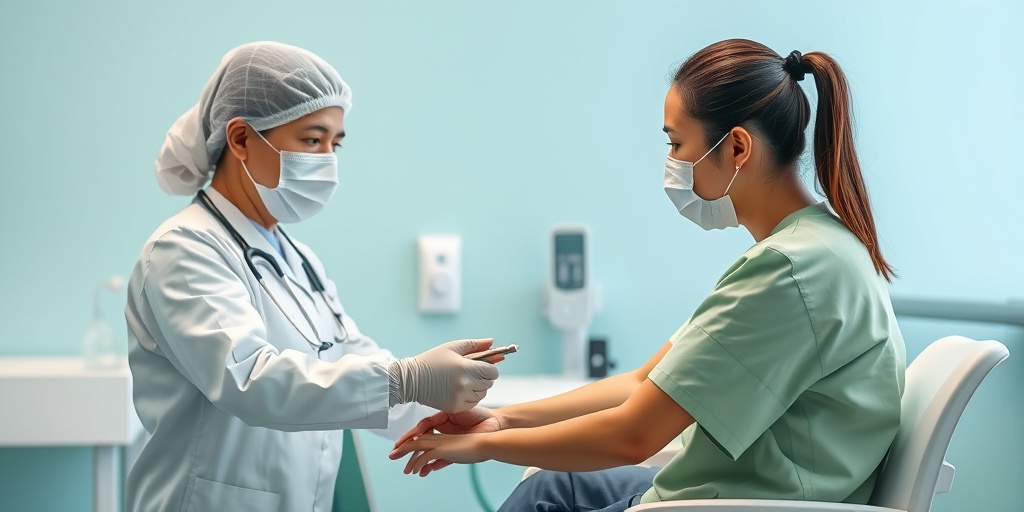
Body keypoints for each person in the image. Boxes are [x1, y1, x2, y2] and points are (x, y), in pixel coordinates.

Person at [390, 38, 907, 511]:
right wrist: (503, 420)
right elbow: (643, 383)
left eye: (677, 144)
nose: (672, 163)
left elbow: (633, 436)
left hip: (741, 501)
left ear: (737, 148)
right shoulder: (815, 247)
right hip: (739, 487)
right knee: (551, 487)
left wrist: (482, 445)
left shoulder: (789, 272)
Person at [124, 41, 501, 511]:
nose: (328, 159)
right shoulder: (183, 249)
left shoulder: (295, 256)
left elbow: (345, 352)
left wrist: (438, 408)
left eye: (334, 143)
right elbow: (250, 379)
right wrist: (406, 379)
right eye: (311, 139)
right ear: (241, 139)